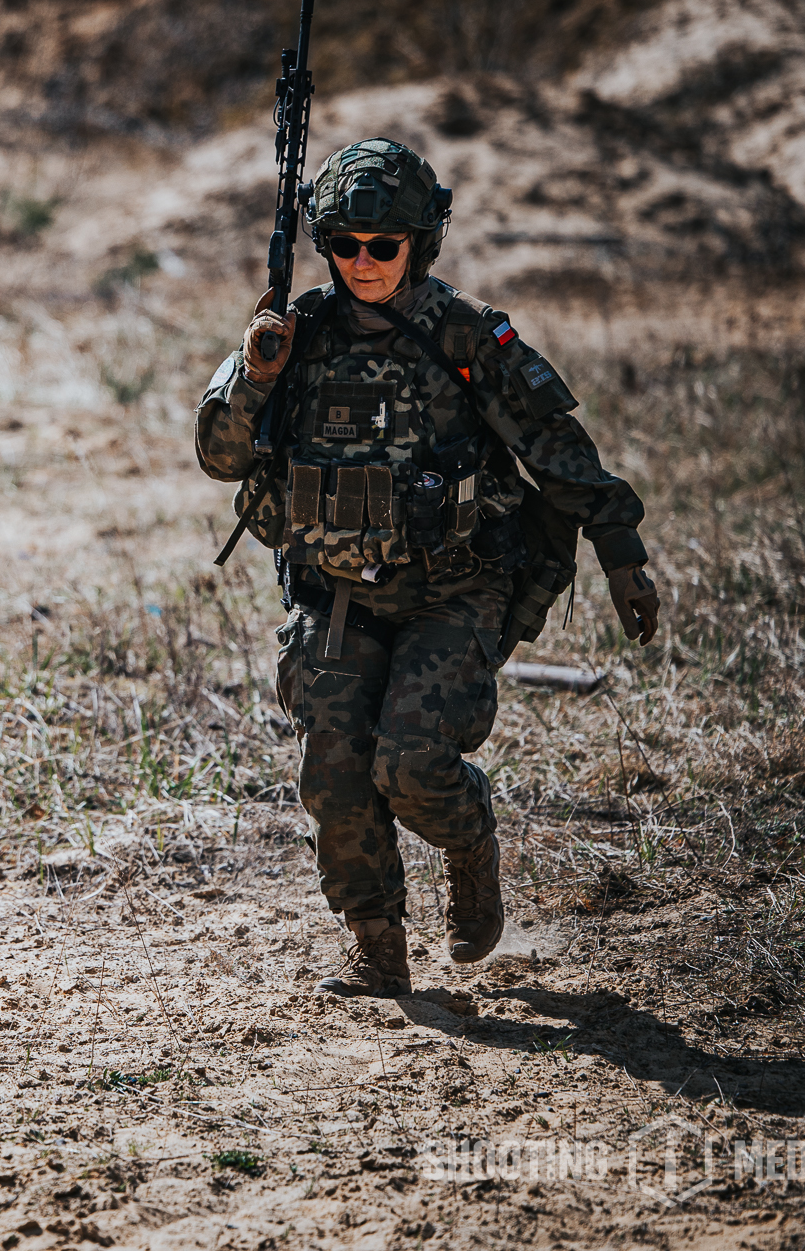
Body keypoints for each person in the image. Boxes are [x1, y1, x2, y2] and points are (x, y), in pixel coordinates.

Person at [196, 138, 660, 997]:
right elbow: (220, 459)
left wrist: (621, 552)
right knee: (334, 770)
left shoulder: (465, 334)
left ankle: (470, 843)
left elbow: (556, 446)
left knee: (409, 763)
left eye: (384, 245)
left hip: (454, 590)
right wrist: (255, 377)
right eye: (345, 245)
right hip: (339, 595)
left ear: (421, 242)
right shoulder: (294, 336)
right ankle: (377, 945)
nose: (363, 262)